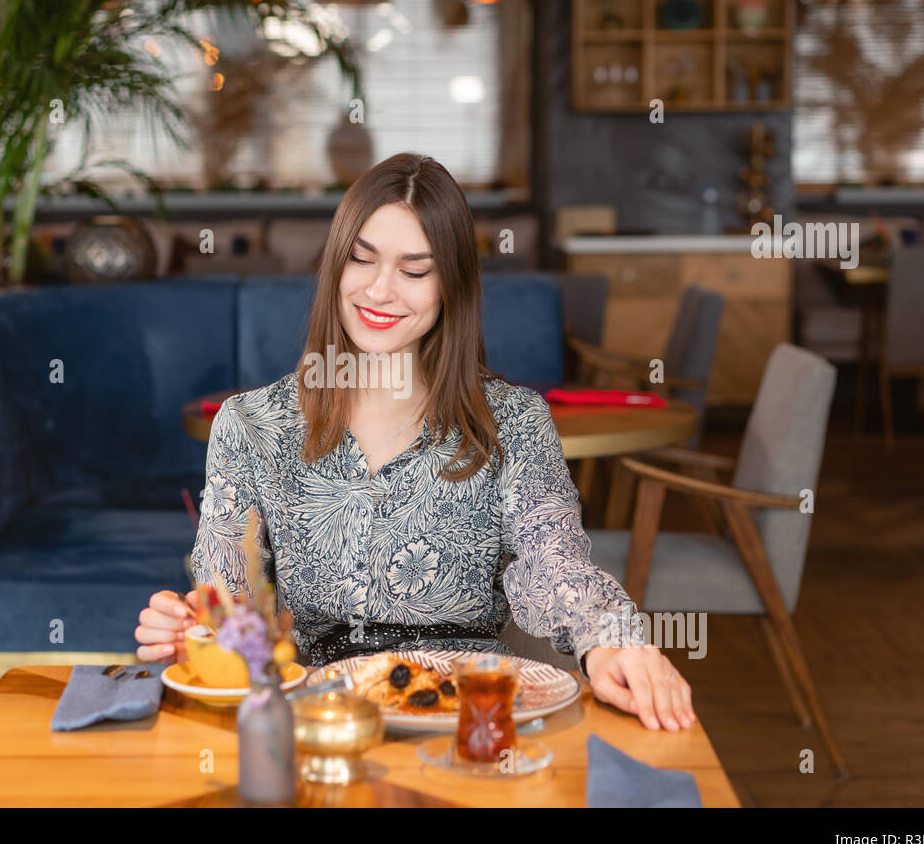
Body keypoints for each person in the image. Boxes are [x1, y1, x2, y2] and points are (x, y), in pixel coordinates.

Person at [136, 153, 695, 732]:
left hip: (472, 723)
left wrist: (611, 640)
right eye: (361, 259)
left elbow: (554, 564)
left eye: (414, 270)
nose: (380, 291)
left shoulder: (516, 422)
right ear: (336, 265)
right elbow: (229, 606)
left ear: (450, 283)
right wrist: (191, 631)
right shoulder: (251, 426)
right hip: (321, 730)